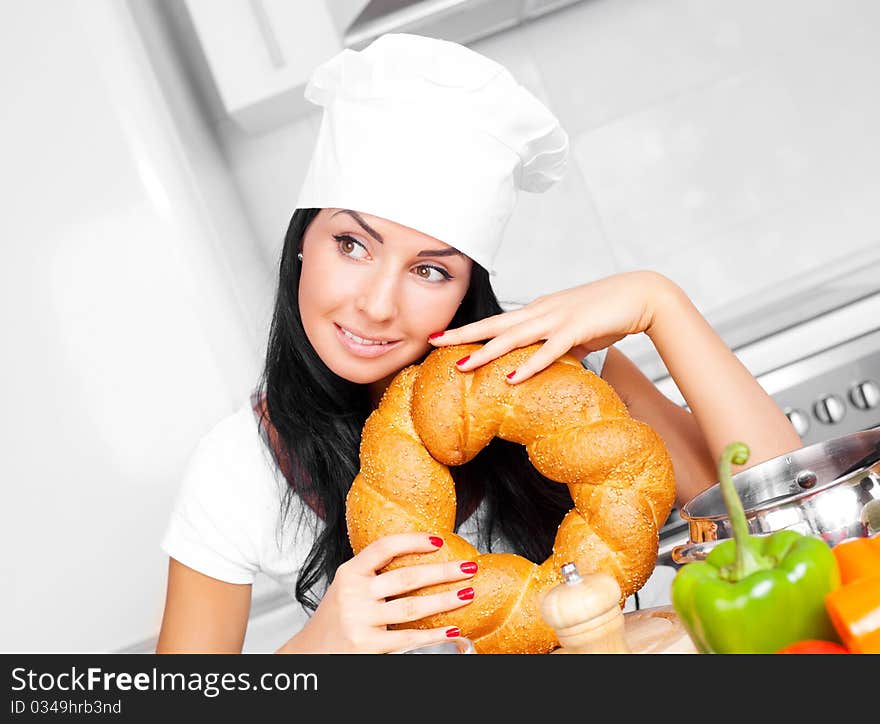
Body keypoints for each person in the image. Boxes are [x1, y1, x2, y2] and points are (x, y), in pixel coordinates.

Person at [155, 33, 802, 654]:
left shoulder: (549, 357)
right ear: (304, 239)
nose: (377, 305)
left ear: (466, 286)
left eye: (429, 270)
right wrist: (313, 652)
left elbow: (787, 525)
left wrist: (660, 303)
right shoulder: (238, 469)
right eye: (352, 244)